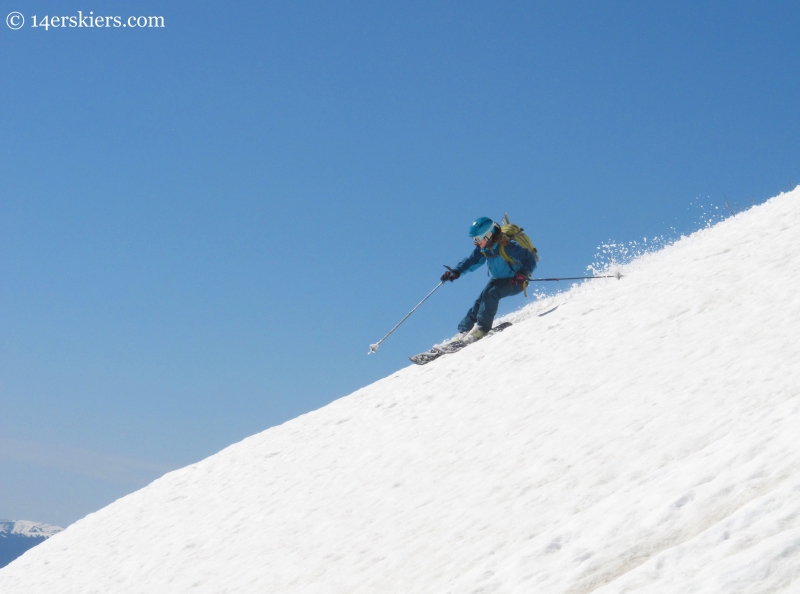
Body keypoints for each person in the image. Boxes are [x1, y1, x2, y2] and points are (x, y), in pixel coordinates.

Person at [440, 217, 537, 342]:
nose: (475, 242)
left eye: (477, 239)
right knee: (480, 300)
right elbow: (472, 261)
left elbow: (530, 259)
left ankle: (482, 329)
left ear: (488, 235)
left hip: (516, 280)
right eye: (473, 239)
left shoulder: (508, 246)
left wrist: (522, 274)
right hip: (499, 278)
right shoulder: (484, 248)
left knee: (491, 294)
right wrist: (456, 272)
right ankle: (464, 331)